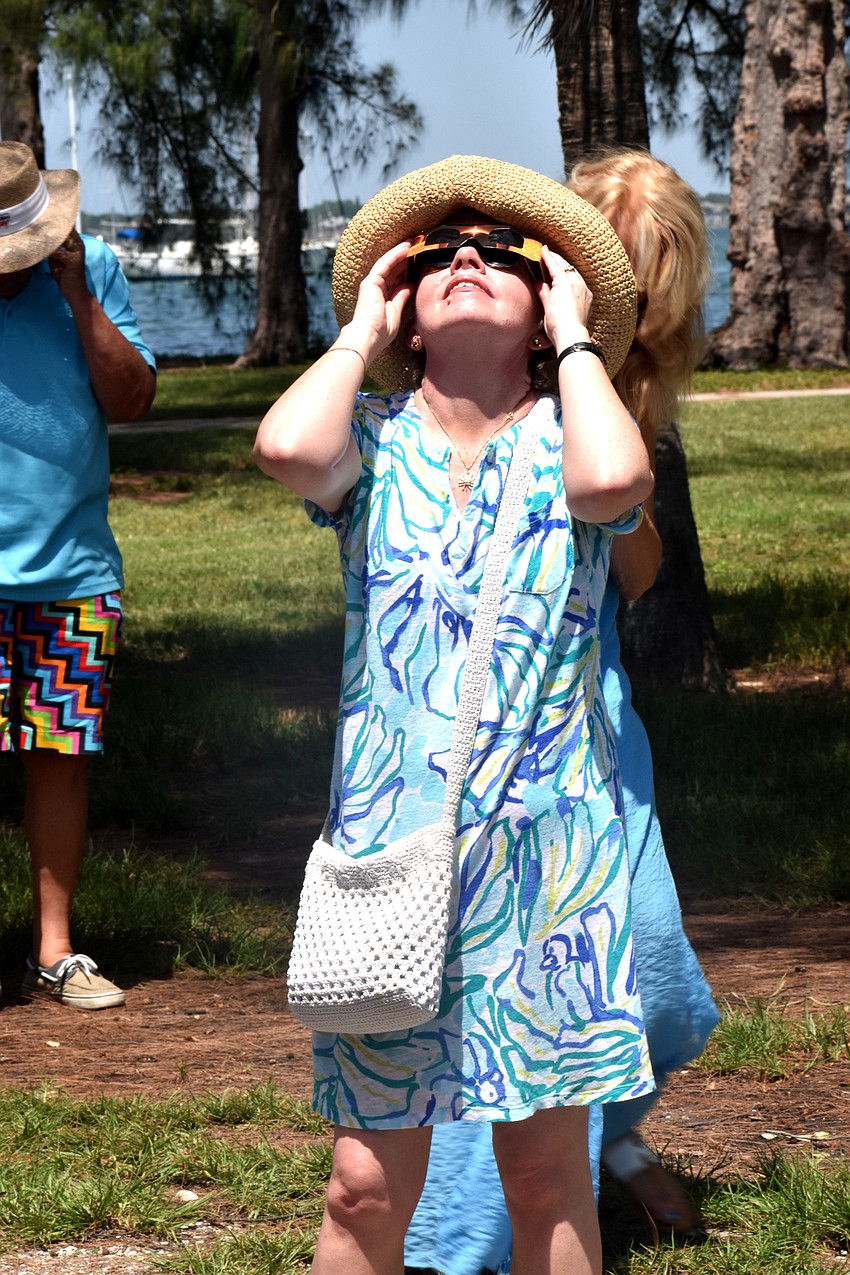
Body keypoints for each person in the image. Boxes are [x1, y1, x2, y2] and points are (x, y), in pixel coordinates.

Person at [255, 154, 656, 1275]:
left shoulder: (569, 437)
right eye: (434, 254)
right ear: (406, 312)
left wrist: (579, 341)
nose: (464, 258)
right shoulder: (370, 443)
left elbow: (616, 489)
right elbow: (286, 449)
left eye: (503, 253)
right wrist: (355, 334)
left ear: (544, 306)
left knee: (542, 1179)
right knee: (361, 1186)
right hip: (394, 857)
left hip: (548, 868)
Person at [403, 150, 721, 1275]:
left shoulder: (616, 394)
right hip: (484, 729)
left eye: (649, 272)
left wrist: (611, 462)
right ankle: (473, 1234)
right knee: (507, 980)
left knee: (642, 953)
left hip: (592, 720)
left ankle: (612, 1135)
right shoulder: (492, 377)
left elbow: (632, 574)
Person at [0, 141, 156, 1010]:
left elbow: (132, 398)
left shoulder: (91, 268)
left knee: (59, 758)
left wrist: (77, 295)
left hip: (71, 573)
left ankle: (53, 952)